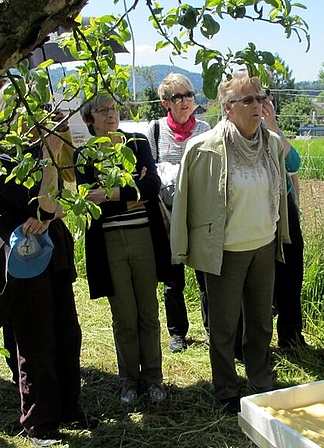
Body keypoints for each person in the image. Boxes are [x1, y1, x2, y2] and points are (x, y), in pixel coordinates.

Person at [0, 83, 97, 446]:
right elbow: (45, 204)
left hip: (51, 246)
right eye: (23, 108)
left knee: (67, 331)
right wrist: (50, 154)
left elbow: (64, 203)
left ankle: (68, 408)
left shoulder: (39, 147)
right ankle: (40, 422)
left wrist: (48, 214)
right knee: (35, 337)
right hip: (21, 255)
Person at [170, 74, 290, 415]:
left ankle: (260, 385)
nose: (258, 106)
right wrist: (182, 249)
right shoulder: (202, 148)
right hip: (225, 250)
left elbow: (279, 191)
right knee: (223, 327)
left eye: (261, 98)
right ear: (227, 108)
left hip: (264, 244)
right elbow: (183, 203)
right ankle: (226, 389)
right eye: (248, 100)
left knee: (261, 322)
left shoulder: (270, 143)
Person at [75, 94, 172, 405]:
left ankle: (154, 378)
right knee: (124, 316)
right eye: (101, 111)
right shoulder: (84, 156)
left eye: (113, 108)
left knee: (148, 311)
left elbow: (152, 186)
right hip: (109, 244)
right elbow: (87, 199)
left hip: (144, 237)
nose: (110, 115)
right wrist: (128, 193)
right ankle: (128, 380)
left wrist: (108, 194)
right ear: (88, 120)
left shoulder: (136, 143)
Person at [146, 73, 211, 352]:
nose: (185, 102)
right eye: (178, 97)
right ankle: (177, 333)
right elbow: (147, 171)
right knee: (172, 279)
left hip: (199, 213)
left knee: (206, 275)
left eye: (189, 95)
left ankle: (212, 330)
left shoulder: (206, 128)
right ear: (165, 103)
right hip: (167, 213)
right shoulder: (156, 130)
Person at [261, 88, 307, 349]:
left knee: (292, 270)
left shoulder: (273, 133)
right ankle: (258, 338)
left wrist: (274, 126)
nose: (264, 107)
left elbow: (294, 164)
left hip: (284, 208)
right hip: (255, 208)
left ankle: (291, 334)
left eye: (268, 102)